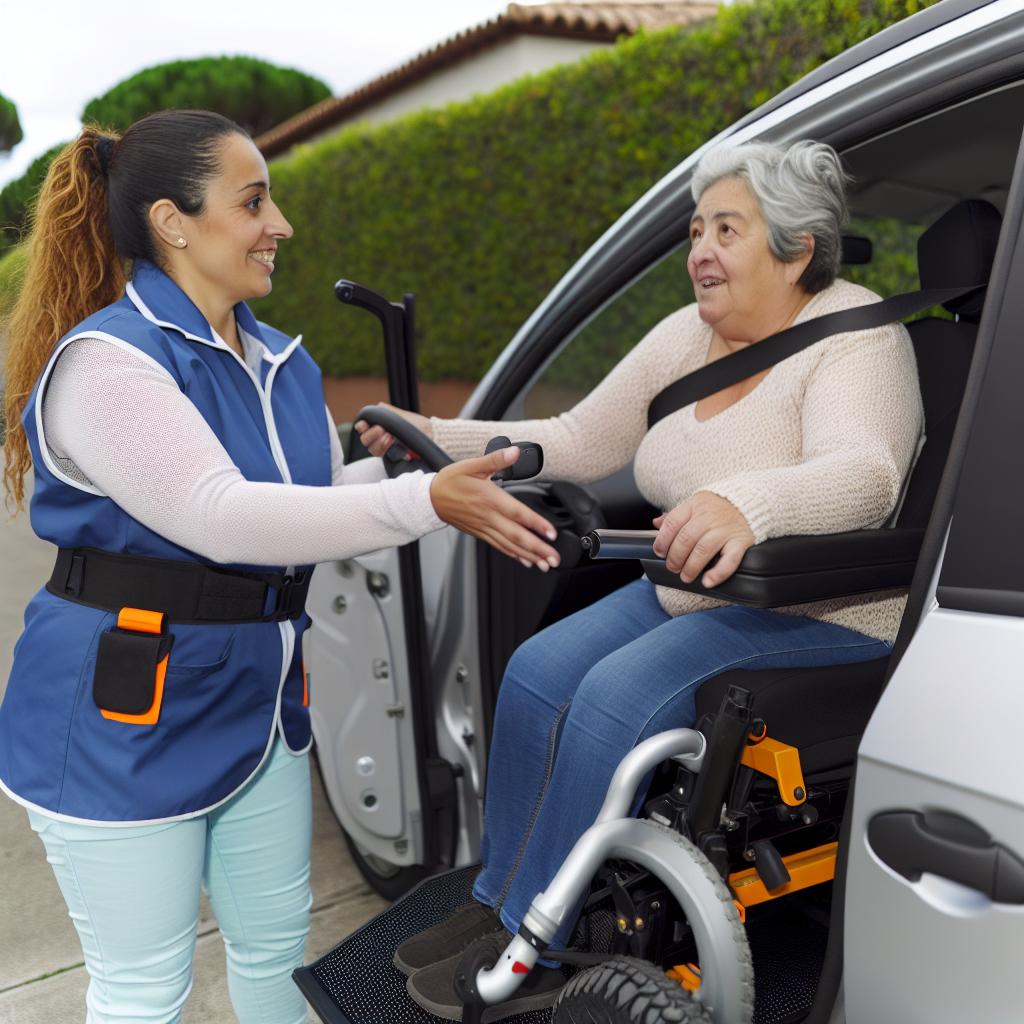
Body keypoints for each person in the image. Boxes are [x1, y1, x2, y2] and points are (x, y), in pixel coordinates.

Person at [0, 110, 562, 1024]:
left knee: (274, 954)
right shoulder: (109, 366)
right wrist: (425, 503)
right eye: (254, 200)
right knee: (145, 990)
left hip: (257, 707)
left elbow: (309, 492)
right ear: (173, 223)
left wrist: (406, 468)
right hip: (121, 721)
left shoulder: (279, 363)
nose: (282, 223)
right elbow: (222, 515)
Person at [356, 139, 924, 1020]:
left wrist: (746, 504)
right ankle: (500, 902)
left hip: (824, 604)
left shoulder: (859, 336)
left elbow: (868, 473)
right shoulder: (687, 337)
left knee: (617, 697)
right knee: (538, 672)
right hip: (692, 588)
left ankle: (543, 947)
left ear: (797, 247)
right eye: (697, 229)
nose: (699, 248)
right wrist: (433, 434)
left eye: (726, 229)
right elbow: (580, 437)